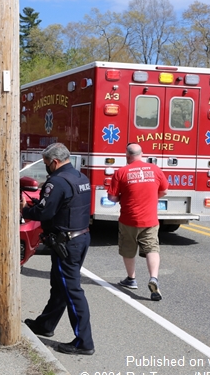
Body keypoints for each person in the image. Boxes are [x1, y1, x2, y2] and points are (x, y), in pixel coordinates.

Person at [20, 143, 94, 356]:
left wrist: (25, 208)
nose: (46, 168)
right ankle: (46, 324)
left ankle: (84, 342)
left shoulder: (58, 182)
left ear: (54, 161)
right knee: (60, 286)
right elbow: (65, 207)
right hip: (80, 238)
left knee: (72, 291)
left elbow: (44, 212)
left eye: (46, 164)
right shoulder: (80, 178)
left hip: (67, 243)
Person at [107, 143, 168, 301]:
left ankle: (131, 278)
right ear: (143, 154)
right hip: (150, 218)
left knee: (128, 248)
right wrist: (153, 198)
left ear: (127, 156)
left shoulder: (121, 172)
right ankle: (153, 278)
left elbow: (112, 197)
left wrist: (122, 197)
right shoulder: (155, 169)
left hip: (129, 218)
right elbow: (164, 190)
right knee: (151, 248)